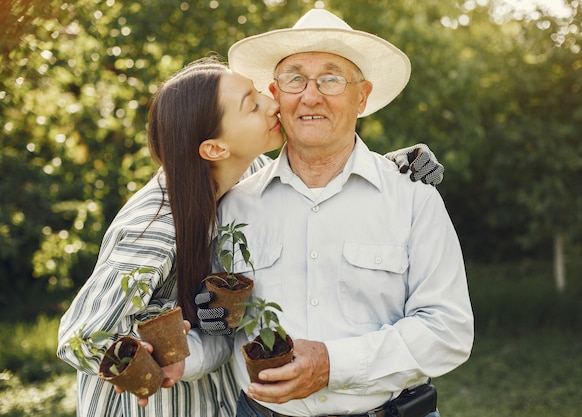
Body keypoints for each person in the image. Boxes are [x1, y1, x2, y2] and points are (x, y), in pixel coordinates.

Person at [57, 56, 444, 417]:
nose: (271, 102)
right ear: (214, 148)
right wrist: (147, 359)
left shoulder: (245, 174)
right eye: (251, 104)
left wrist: (391, 170)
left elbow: (322, 168)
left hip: (219, 396)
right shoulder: (156, 226)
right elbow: (80, 334)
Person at [198, 9, 474, 417]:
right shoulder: (233, 207)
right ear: (276, 94)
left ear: (361, 96)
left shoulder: (413, 197)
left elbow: (448, 331)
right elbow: (220, 335)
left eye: (330, 78)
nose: (311, 96)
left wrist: (333, 364)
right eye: (295, 78)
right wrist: (208, 324)